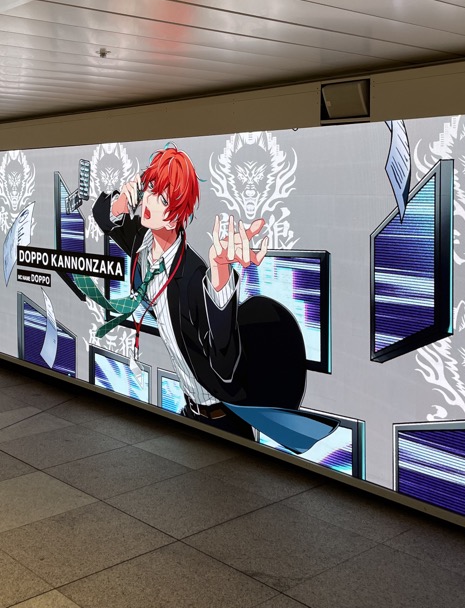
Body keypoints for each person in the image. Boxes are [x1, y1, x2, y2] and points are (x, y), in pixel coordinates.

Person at [87, 147, 332, 447]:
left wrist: (220, 276)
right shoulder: (143, 240)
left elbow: (225, 366)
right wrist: (122, 203)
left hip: (224, 422)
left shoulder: (191, 277)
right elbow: (103, 216)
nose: (149, 202)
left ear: (177, 215)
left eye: (163, 199)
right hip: (189, 413)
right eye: (150, 189)